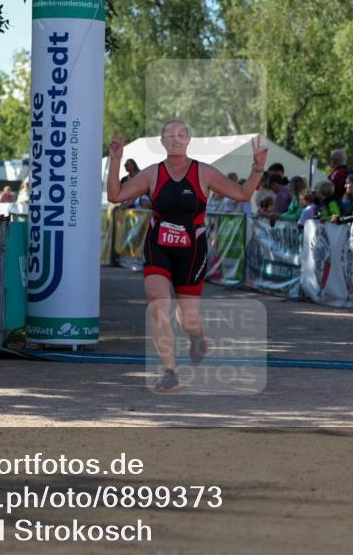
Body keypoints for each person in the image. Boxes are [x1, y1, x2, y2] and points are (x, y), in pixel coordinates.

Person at [106, 120, 267, 393]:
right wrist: (116, 159)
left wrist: (257, 167)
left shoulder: (203, 172)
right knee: (158, 305)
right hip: (158, 246)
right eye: (170, 135)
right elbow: (115, 195)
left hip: (192, 250)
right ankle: (170, 371)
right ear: (162, 141)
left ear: (189, 139)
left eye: (181, 134)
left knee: (188, 319)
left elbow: (243, 194)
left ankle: (198, 336)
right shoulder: (152, 174)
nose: (176, 139)